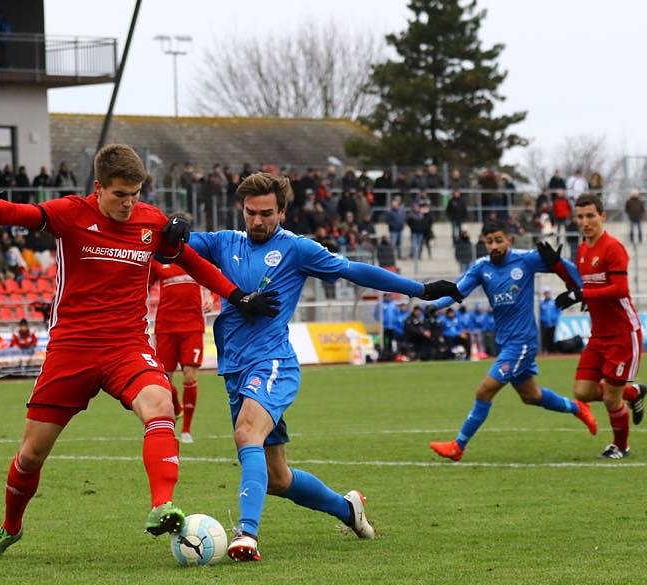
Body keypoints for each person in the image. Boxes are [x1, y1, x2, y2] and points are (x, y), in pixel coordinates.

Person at [0, 143, 281, 559]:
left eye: (135, 194)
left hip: (127, 345)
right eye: (120, 195)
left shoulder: (150, 221)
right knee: (31, 454)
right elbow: (25, 215)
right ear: (98, 188)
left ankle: (162, 505)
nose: (129, 203)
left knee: (160, 403)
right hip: (72, 348)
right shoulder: (72, 212)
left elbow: (192, 261)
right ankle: (10, 527)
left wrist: (237, 296)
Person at [182, 171, 462, 561]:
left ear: (282, 212)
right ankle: (348, 509)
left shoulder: (297, 249)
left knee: (247, 434)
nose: (257, 221)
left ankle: (246, 534)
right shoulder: (224, 243)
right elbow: (167, 243)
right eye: (251, 213)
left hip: (273, 362)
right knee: (278, 479)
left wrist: (420, 289)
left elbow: (352, 270)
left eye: (266, 213)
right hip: (235, 368)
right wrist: (173, 225)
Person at [427, 221, 597, 462]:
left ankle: (458, 446)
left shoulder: (525, 260)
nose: (494, 246)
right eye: (489, 241)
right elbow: (457, 291)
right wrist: (433, 306)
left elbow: (562, 265)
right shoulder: (481, 267)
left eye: (499, 240)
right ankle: (578, 407)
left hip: (522, 342)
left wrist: (582, 289)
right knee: (531, 396)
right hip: (505, 342)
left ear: (510, 240)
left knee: (485, 390)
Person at [554, 193, 647, 459]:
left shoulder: (613, 248)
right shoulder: (583, 249)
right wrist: (558, 268)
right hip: (599, 335)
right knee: (582, 391)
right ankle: (634, 392)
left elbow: (619, 289)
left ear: (602, 216)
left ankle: (621, 446)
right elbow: (586, 286)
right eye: (580, 217)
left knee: (611, 397)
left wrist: (582, 294)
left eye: (590, 216)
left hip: (622, 334)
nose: (585, 222)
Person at [149, 246, 209, 444]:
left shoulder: (195, 258)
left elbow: (212, 278)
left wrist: (211, 298)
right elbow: (144, 285)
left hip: (192, 326)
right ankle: (176, 407)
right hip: (165, 327)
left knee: (190, 375)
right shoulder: (158, 260)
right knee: (164, 379)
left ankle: (186, 430)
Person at [539, 288, 559, 354]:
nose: (547, 295)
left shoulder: (554, 302)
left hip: (553, 323)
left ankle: (552, 350)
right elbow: (540, 313)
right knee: (545, 338)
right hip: (544, 324)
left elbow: (558, 311)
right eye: (546, 293)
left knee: (551, 337)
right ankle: (545, 350)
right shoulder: (542, 303)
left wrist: (555, 319)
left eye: (548, 293)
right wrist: (542, 320)